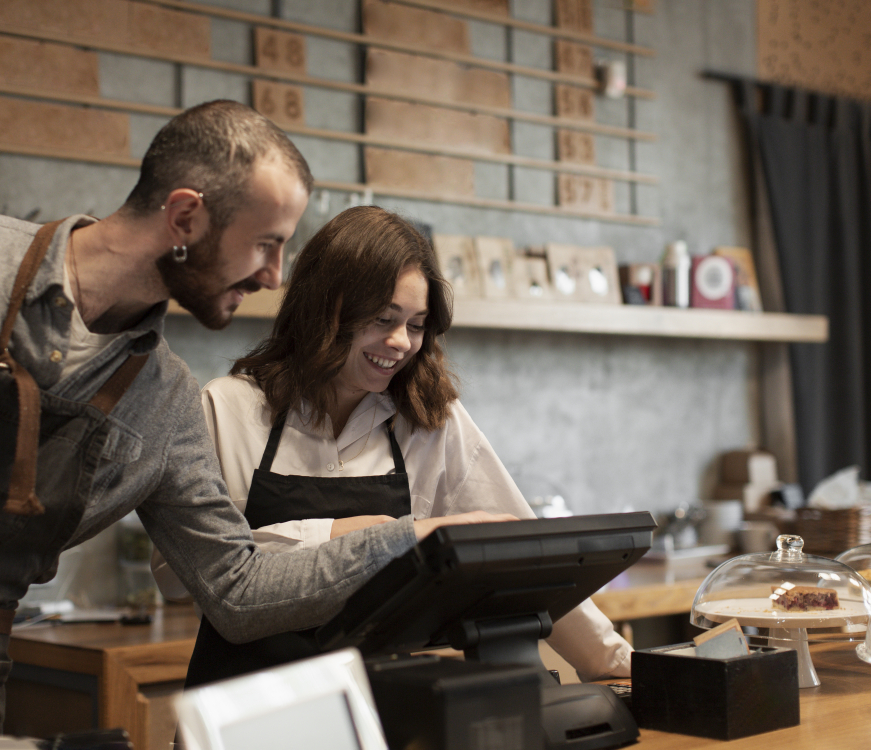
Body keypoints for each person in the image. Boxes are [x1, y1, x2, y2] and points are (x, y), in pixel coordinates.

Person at [0, 101, 508, 747]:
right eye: (266, 244)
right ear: (184, 217)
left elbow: (236, 588)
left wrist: (410, 539)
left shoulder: (165, 399)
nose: (274, 276)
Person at [153, 206, 632, 687]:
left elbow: (526, 557)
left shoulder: (429, 419)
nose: (401, 342)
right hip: (244, 710)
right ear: (326, 309)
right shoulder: (227, 408)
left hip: (381, 711)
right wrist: (358, 534)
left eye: (418, 324)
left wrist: (614, 661)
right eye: (384, 318)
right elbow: (179, 577)